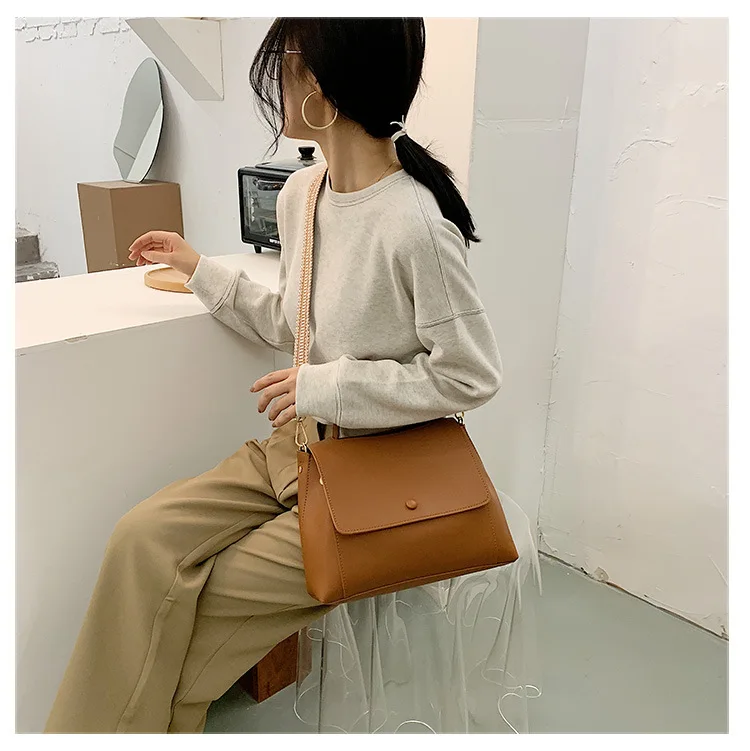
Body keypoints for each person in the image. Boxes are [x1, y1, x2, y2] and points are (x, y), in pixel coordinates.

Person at [44, 18, 503, 733]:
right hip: (293, 449)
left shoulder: (415, 224)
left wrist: (329, 385)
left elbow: (470, 376)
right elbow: (294, 323)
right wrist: (199, 269)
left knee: (200, 612)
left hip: (374, 478)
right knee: (140, 539)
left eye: (284, 65)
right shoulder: (302, 195)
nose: (275, 85)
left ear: (322, 86)